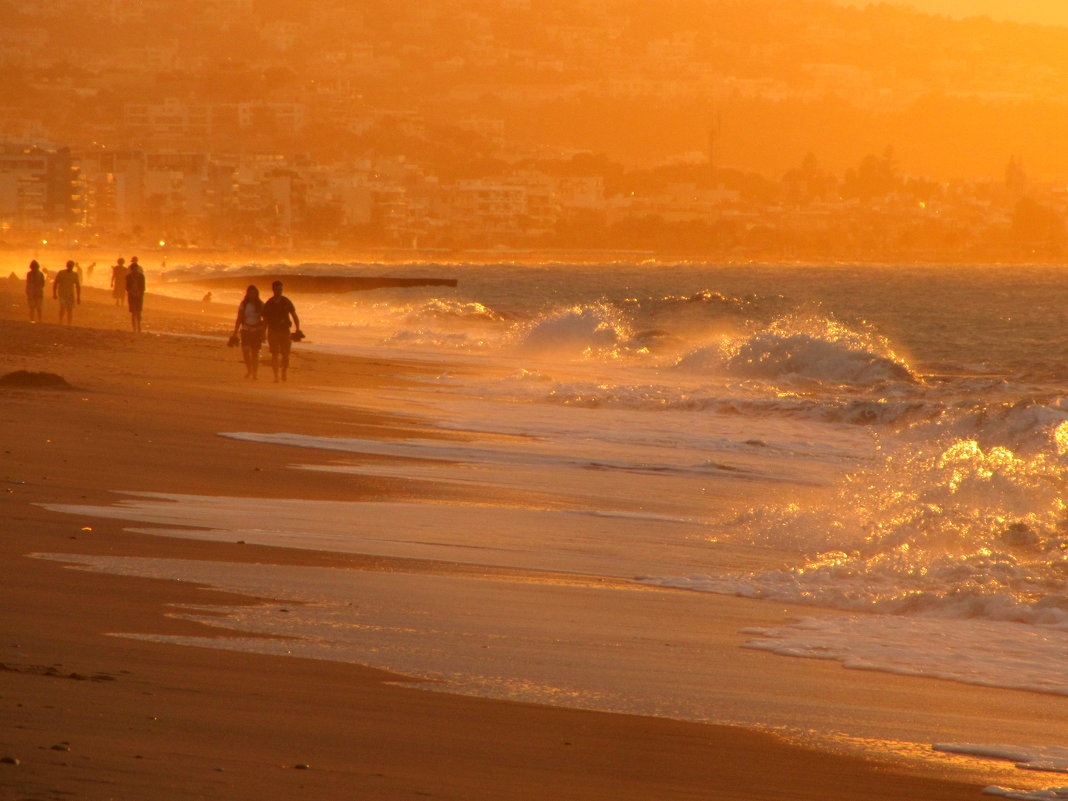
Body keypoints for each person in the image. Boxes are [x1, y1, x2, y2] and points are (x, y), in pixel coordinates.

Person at [261, 280, 301, 382]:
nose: (279, 291)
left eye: (281, 289)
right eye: (278, 289)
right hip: (273, 331)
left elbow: (294, 315)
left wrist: (298, 329)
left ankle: (284, 371)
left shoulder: (286, 301)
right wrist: (263, 333)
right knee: (274, 354)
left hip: (285, 331)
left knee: (286, 355)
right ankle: (276, 376)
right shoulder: (269, 303)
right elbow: (265, 320)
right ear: (273, 289)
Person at [232, 285, 265, 379]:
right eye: (250, 293)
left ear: (256, 294)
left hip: (256, 331)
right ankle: (249, 369)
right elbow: (239, 318)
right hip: (246, 330)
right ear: (248, 294)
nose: (252, 295)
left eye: (254, 293)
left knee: (255, 353)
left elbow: (265, 319)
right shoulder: (244, 304)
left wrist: (263, 332)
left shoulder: (261, 304)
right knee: (245, 351)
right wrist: (235, 332)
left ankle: (255, 374)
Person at [52, 260, 80, 325]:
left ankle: (69, 323)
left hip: (71, 294)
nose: (70, 267)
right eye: (69, 266)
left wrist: (78, 297)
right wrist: (54, 293)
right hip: (62, 294)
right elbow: (56, 283)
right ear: (67, 266)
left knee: (70, 309)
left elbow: (77, 286)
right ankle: (60, 322)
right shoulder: (61, 273)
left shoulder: (74, 274)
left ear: (73, 266)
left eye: (71, 266)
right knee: (62, 308)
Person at [125, 257, 146, 333]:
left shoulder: (141, 276)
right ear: (132, 269)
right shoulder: (128, 277)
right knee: (133, 312)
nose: (135, 270)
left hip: (139, 296)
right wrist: (132, 292)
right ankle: (134, 328)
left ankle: (139, 326)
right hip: (131, 296)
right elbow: (127, 287)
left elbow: (143, 287)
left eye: (136, 269)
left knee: (139, 312)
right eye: (134, 269)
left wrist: (139, 293)